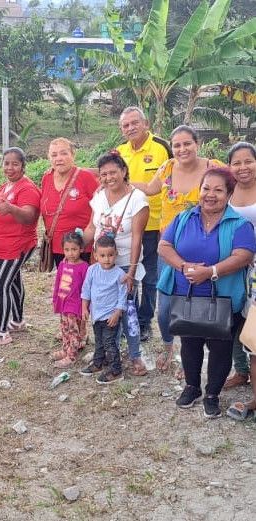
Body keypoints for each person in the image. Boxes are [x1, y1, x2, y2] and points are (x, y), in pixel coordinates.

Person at [158, 167, 255, 419]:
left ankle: (212, 394)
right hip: (186, 293)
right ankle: (192, 387)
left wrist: (210, 271)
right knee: (189, 343)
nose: (210, 195)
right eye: (206, 188)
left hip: (223, 298)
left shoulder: (239, 224)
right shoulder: (183, 218)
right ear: (199, 190)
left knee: (220, 347)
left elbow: (243, 256)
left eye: (218, 190)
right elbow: (164, 245)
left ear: (229, 194)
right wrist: (184, 266)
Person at [132, 126, 223, 372]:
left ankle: (190, 357)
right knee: (167, 306)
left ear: (197, 144)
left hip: (207, 246)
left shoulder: (213, 168)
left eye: (187, 144)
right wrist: (122, 182)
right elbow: (151, 189)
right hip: (169, 248)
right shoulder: (168, 168)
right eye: (177, 145)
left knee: (200, 302)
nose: (182, 149)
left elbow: (232, 189)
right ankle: (168, 347)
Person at [82, 150, 149, 376]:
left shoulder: (137, 199)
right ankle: (105, 355)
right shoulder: (99, 196)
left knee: (128, 311)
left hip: (123, 267)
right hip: (101, 265)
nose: (109, 178)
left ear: (123, 171)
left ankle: (135, 355)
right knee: (102, 312)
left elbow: (137, 237)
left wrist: (130, 270)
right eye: (103, 174)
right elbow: (93, 227)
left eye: (113, 172)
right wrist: (75, 244)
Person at [116, 106, 172, 342]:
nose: (130, 128)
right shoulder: (119, 152)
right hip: (126, 226)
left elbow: (172, 181)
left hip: (153, 225)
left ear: (145, 123)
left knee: (149, 277)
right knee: (128, 274)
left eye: (134, 123)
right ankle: (127, 318)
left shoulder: (161, 147)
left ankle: (144, 321)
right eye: (125, 125)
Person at [0, 147, 40, 347]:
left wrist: (11, 209)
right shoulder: (6, 186)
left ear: (23, 166)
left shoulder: (27, 188)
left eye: (15, 163)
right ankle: (17, 320)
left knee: (0, 283)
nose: (10, 167)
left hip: (15, 245)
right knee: (12, 280)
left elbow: (29, 216)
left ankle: (1, 332)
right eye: (6, 163)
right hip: (2, 245)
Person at [224, 142, 256, 406]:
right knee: (233, 319)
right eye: (237, 162)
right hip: (234, 266)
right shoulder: (228, 192)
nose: (243, 167)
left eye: (249, 161)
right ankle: (242, 371)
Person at [39, 138, 99, 266]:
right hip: (57, 247)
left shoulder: (85, 177)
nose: (59, 158)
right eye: (54, 155)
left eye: (64, 153)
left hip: (82, 247)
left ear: (73, 155)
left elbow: (102, 208)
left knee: (82, 284)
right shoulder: (46, 178)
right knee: (65, 283)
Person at [80, 235, 128, 384]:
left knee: (109, 343)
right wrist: (84, 308)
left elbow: (122, 295)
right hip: (96, 314)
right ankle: (98, 362)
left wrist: (117, 313)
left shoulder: (120, 274)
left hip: (111, 316)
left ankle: (116, 370)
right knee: (99, 341)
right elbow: (86, 290)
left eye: (110, 255)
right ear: (95, 255)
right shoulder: (92, 270)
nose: (107, 259)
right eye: (102, 255)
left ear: (116, 254)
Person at [51, 230, 88, 368]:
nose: (70, 253)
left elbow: (86, 288)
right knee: (65, 328)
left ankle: (71, 356)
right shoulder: (62, 264)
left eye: (74, 249)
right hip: (63, 302)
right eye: (67, 249)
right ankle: (65, 349)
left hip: (75, 305)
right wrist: (56, 299)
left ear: (81, 249)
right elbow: (58, 282)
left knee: (74, 330)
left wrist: (85, 306)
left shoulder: (84, 267)